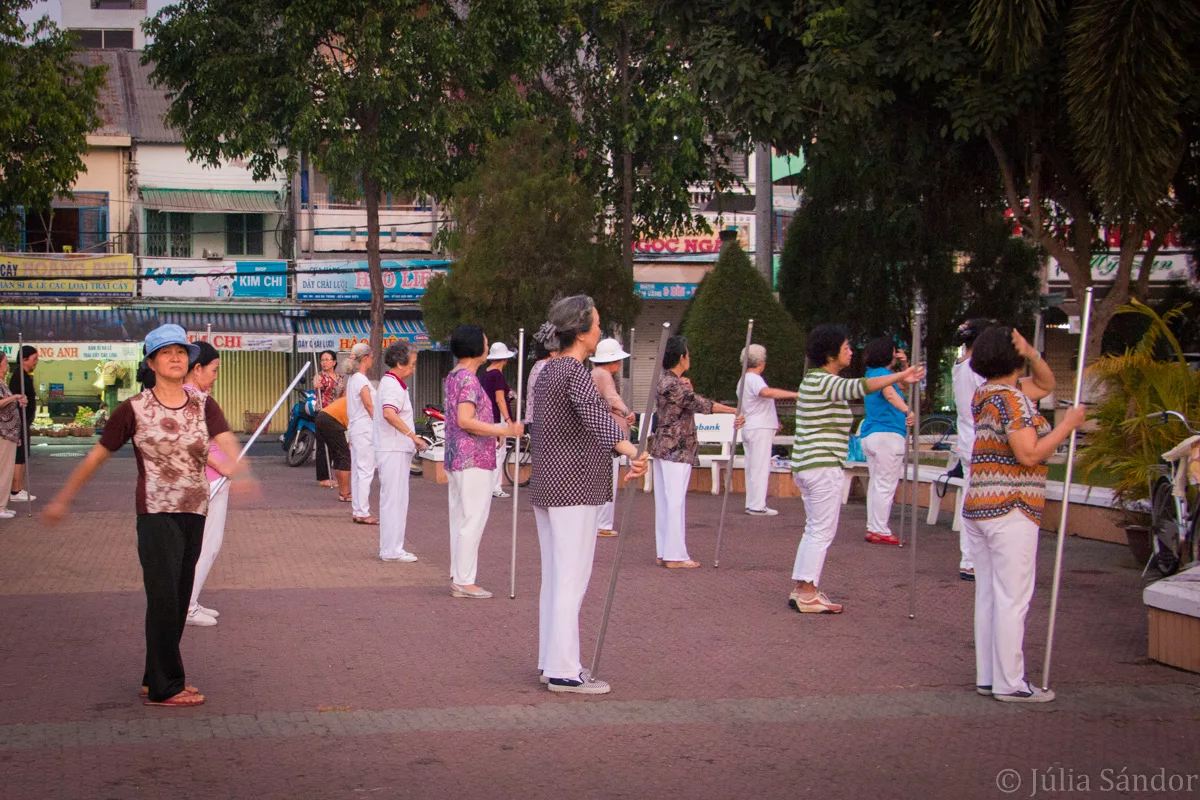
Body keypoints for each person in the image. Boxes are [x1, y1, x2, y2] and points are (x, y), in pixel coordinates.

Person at [42, 324, 249, 708]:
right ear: (151, 362)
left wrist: (242, 472)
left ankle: (154, 676)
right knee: (164, 598)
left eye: (181, 352)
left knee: (180, 596)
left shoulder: (203, 405)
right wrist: (63, 499)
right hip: (155, 513)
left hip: (195, 511)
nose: (175, 358)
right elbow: (96, 457)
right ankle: (165, 686)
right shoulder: (134, 409)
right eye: (166, 352)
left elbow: (219, 443)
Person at [529, 296, 649, 694]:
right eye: (596, 324)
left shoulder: (547, 370)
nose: (600, 330)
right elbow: (596, 417)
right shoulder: (574, 372)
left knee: (556, 577)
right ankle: (564, 670)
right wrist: (631, 450)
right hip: (574, 487)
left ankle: (552, 661)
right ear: (581, 332)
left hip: (550, 485)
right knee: (571, 577)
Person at [962, 326, 1085, 703]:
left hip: (981, 503)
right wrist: (1066, 426)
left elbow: (1046, 384)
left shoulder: (988, 394)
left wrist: (1031, 354)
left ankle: (990, 676)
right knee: (1012, 598)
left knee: (989, 595)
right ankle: (1010, 682)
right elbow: (1029, 453)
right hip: (1011, 505)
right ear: (1011, 358)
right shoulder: (1012, 400)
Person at [789, 324, 924, 614]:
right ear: (830, 354)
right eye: (846, 347)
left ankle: (803, 587)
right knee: (821, 531)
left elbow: (855, 386)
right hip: (822, 465)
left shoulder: (815, 381)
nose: (851, 352)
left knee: (815, 528)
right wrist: (901, 375)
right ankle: (807, 592)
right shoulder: (824, 381)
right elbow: (858, 387)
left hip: (811, 464)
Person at [444, 325, 523, 599]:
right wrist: (502, 429)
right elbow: (466, 420)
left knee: (461, 517)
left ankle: (459, 575)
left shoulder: (455, 375)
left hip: (458, 455)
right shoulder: (468, 379)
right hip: (473, 457)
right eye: (486, 342)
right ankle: (464, 580)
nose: (487, 347)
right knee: (473, 518)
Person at [651, 336, 742, 569]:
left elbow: (687, 402)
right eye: (688, 354)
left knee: (666, 502)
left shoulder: (666, 381)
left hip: (665, 447)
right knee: (674, 502)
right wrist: (733, 410)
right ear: (681, 357)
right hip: (676, 449)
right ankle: (674, 554)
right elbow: (699, 403)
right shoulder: (673, 384)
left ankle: (665, 550)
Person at [180, 342, 231, 627]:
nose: (215, 376)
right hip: (209, 481)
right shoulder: (191, 398)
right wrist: (223, 467)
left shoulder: (193, 396)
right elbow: (193, 443)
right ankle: (187, 607)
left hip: (212, 480)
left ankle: (190, 601)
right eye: (214, 370)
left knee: (205, 544)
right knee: (206, 545)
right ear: (197, 369)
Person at [859, 337, 915, 546]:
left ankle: (874, 526)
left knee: (877, 483)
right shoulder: (883, 375)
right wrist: (907, 410)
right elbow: (891, 394)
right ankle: (880, 529)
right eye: (893, 352)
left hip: (872, 434)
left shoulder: (872, 374)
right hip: (888, 435)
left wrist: (904, 364)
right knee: (886, 484)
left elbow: (903, 385)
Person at [375, 340, 426, 563]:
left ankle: (393, 547)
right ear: (399, 363)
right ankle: (391, 549)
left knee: (397, 499)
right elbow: (389, 413)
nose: (413, 368)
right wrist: (412, 436)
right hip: (393, 448)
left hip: (395, 448)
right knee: (393, 500)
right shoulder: (392, 386)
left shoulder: (394, 384)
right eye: (412, 364)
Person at [737, 344, 798, 517]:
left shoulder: (743, 380)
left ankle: (752, 503)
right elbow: (765, 393)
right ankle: (757, 505)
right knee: (760, 467)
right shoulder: (755, 379)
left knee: (752, 467)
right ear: (761, 363)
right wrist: (794, 395)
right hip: (759, 428)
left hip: (751, 426)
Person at [952, 319, 992, 581]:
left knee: (970, 500)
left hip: (967, 441)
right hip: (979, 440)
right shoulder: (978, 369)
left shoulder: (959, 366)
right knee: (980, 503)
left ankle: (969, 559)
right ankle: (973, 559)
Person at [590, 338, 635, 537]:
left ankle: (598, 522)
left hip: (596, 436)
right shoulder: (603, 375)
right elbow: (611, 397)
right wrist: (626, 412)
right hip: (607, 436)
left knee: (601, 478)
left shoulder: (594, 373)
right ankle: (603, 524)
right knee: (609, 477)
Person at [344, 343, 378, 525]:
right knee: (365, 470)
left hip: (355, 428)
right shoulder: (362, 381)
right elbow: (369, 405)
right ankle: (363, 511)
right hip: (365, 428)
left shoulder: (352, 379)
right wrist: (379, 425)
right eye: (371, 357)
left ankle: (358, 509)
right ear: (365, 358)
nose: (372, 361)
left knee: (358, 470)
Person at [481, 342, 517, 499]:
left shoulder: (485, 373)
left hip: (486, 418)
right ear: (504, 359)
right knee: (498, 453)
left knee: (492, 452)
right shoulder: (497, 375)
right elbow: (500, 399)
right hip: (497, 418)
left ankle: (491, 486)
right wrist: (509, 420)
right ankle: (494, 488)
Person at [0, 351, 28, 520]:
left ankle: (2, 504)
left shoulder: (3, 382)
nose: (7, 366)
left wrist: (18, 401)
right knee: (3, 470)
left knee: (6, 469)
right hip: (3, 432)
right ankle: (0, 506)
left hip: (9, 433)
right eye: (5, 362)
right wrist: (15, 397)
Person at [8, 345, 36, 504]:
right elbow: (16, 401)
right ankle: (15, 490)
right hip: (19, 421)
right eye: (34, 359)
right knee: (19, 456)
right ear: (24, 359)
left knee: (24, 455)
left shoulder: (25, 376)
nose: (36, 362)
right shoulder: (19, 377)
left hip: (25, 421)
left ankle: (19, 487)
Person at [314, 349, 346, 488]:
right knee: (322, 446)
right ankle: (323, 478)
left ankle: (338, 475)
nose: (324, 362)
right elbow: (316, 383)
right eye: (322, 360)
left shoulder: (340, 377)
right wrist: (317, 385)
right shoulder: (320, 376)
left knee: (336, 446)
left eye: (327, 360)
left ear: (334, 362)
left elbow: (344, 395)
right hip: (323, 414)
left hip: (336, 414)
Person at [315, 395, 352, 502]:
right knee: (345, 456)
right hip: (332, 420)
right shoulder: (363, 403)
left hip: (322, 416)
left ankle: (342, 492)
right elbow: (352, 428)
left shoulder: (351, 398)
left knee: (337, 455)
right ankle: (345, 494)